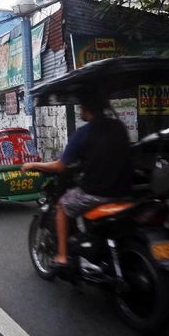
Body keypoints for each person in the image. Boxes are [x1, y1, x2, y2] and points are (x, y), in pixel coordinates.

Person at [21, 96, 132, 267]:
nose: (80, 111)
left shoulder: (84, 133)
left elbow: (59, 166)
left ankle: (62, 256)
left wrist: (33, 164)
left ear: (87, 110)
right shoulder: (119, 126)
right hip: (125, 191)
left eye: (81, 108)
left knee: (63, 206)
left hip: (96, 194)